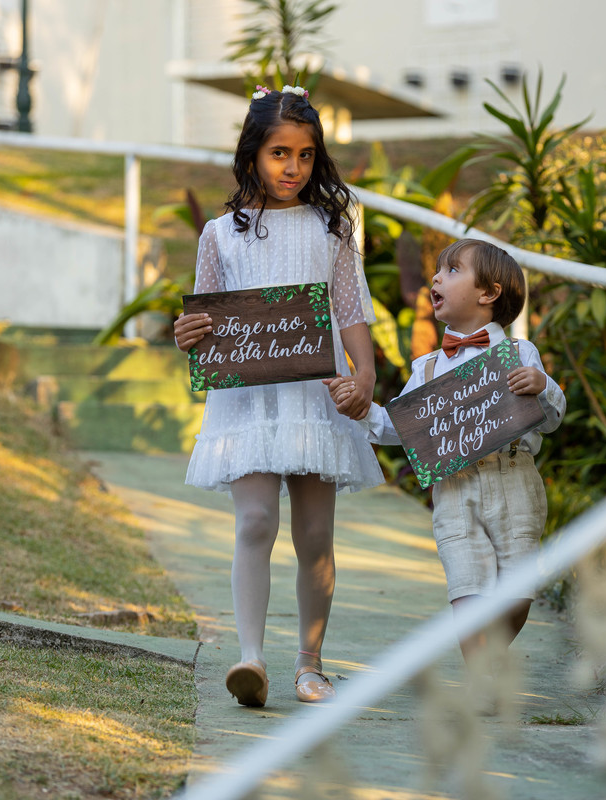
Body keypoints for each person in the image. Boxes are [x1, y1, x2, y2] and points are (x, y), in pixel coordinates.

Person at [173, 84, 382, 708]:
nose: (292, 168)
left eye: (306, 155)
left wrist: (364, 377)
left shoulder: (331, 226)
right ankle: (251, 660)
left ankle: (311, 663)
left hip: (316, 399)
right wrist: (187, 335)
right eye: (279, 154)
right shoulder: (219, 235)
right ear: (252, 156)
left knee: (315, 536)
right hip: (248, 403)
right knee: (256, 521)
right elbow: (208, 323)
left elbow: (351, 309)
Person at [328, 239, 565, 711]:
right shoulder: (427, 367)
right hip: (453, 488)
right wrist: (362, 410)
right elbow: (402, 426)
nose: (435, 278)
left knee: (518, 589)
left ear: (488, 293)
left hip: (513, 480)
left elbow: (553, 417)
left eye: (451, 271)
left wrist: (543, 388)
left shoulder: (521, 354)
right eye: (437, 271)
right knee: (468, 584)